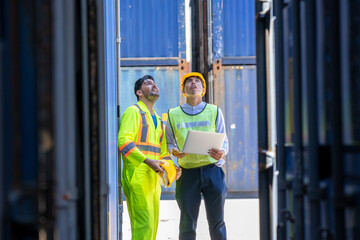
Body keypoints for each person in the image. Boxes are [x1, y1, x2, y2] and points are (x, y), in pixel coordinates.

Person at [166, 72, 229, 240]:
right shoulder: (173, 114)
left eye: (197, 82)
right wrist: (174, 152)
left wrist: (221, 152)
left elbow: (224, 141)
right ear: (183, 90)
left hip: (212, 171)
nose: (193, 83)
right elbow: (169, 142)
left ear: (203, 90)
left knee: (217, 221)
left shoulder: (215, 111)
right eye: (189, 82)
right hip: (187, 173)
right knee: (187, 222)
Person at [118, 75, 181, 240]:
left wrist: (171, 168)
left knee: (152, 226)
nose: (154, 85)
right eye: (148, 83)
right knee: (143, 225)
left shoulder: (159, 121)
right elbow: (124, 142)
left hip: (153, 178)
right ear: (139, 92)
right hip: (137, 176)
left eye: (155, 83)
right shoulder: (133, 112)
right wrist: (148, 162)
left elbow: (162, 153)